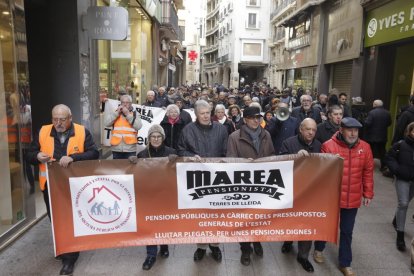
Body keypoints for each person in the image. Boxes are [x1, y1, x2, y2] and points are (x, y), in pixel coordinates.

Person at [26, 104, 99, 275]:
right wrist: (37, 156)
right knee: (56, 220)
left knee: (70, 220)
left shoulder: (82, 132)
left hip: (74, 186)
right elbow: (29, 154)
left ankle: (69, 258)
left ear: (70, 118)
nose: (58, 123)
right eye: (55, 119)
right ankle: (64, 246)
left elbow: (94, 153)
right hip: (49, 186)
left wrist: (73, 158)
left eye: (62, 119)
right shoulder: (43, 131)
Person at [314, 117, 374, 276]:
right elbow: (322, 172)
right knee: (326, 225)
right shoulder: (328, 146)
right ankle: (319, 249)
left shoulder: (365, 148)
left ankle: (345, 263)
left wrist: (368, 192)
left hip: (352, 198)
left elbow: (368, 172)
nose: (353, 133)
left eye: (356, 130)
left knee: (347, 231)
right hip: (332, 197)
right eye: (350, 130)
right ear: (341, 130)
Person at [177, 99, 228, 262]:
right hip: (197, 178)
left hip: (218, 178)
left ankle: (215, 245)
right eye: (202, 113)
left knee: (216, 215)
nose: (206, 116)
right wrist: (191, 157)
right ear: (196, 114)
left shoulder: (221, 129)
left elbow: (227, 152)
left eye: (208, 113)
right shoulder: (187, 130)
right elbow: (180, 149)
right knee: (200, 214)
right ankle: (201, 246)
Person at [226, 106, 275, 266]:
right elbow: (230, 160)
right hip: (244, 186)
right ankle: (245, 249)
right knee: (245, 220)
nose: (256, 120)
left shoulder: (266, 135)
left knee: (260, 218)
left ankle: (258, 241)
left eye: (258, 117)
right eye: (253, 117)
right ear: (245, 119)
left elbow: (272, 156)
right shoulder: (234, 137)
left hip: (262, 184)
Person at [130, 124, 176, 270]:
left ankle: (164, 245)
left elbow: (178, 173)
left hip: (165, 195)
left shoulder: (171, 152)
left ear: (163, 138)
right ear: (148, 138)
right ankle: (151, 255)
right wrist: (131, 162)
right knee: (150, 224)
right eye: (153, 136)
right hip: (148, 196)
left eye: (158, 136)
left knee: (163, 222)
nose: (156, 139)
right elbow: (135, 174)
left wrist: (176, 160)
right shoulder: (142, 154)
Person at [279, 118, 320, 272]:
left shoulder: (319, 145)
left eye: (314, 130)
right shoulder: (288, 143)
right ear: (301, 129)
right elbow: (279, 163)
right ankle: (288, 241)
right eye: (308, 129)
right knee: (290, 219)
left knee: (307, 222)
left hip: (310, 192)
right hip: (291, 190)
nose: (311, 133)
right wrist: (295, 157)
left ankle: (303, 256)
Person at [385, 122, 414, 253]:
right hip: (403, 178)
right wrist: (397, 170)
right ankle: (400, 236)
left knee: (406, 202)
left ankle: (397, 219)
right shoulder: (401, 145)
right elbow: (389, 157)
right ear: (410, 132)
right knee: (403, 203)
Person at [104, 94, 142, 159]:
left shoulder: (135, 113)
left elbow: (138, 126)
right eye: (123, 102)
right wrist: (116, 113)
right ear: (120, 103)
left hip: (130, 149)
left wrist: (127, 114)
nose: (124, 104)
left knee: (130, 168)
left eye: (127, 102)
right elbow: (106, 123)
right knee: (117, 168)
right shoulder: (116, 112)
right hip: (116, 148)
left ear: (131, 104)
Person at [364, 99, 392, 171]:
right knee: (382, 151)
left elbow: (367, 123)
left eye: (373, 104)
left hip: (372, 137)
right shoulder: (387, 113)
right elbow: (389, 123)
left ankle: (369, 166)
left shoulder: (372, 112)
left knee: (370, 151)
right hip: (383, 136)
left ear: (375, 105)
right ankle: (383, 166)